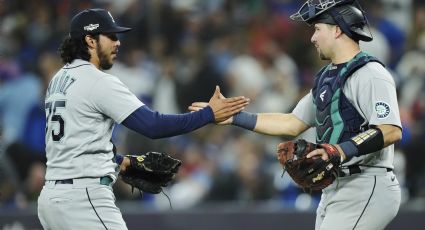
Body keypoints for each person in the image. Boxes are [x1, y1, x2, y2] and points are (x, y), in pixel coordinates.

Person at [190, 0, 402, 229]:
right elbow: (292, 122)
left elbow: (390, 129)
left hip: (366, 182)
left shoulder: (370, 73)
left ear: (338, 30)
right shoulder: (327, 78)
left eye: (318, 29)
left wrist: (341, 150)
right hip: (336, 186)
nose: (312, 37)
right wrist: (234, 117)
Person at [37, 8, 249, 230]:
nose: (117, 42)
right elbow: (153, 125)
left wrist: (119, 162)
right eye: (110, 36)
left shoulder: (58, 80)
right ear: (90, 40)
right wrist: (209, 114)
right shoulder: (97, 81)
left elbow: (72, 143)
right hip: (84, 199)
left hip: (51, 198)